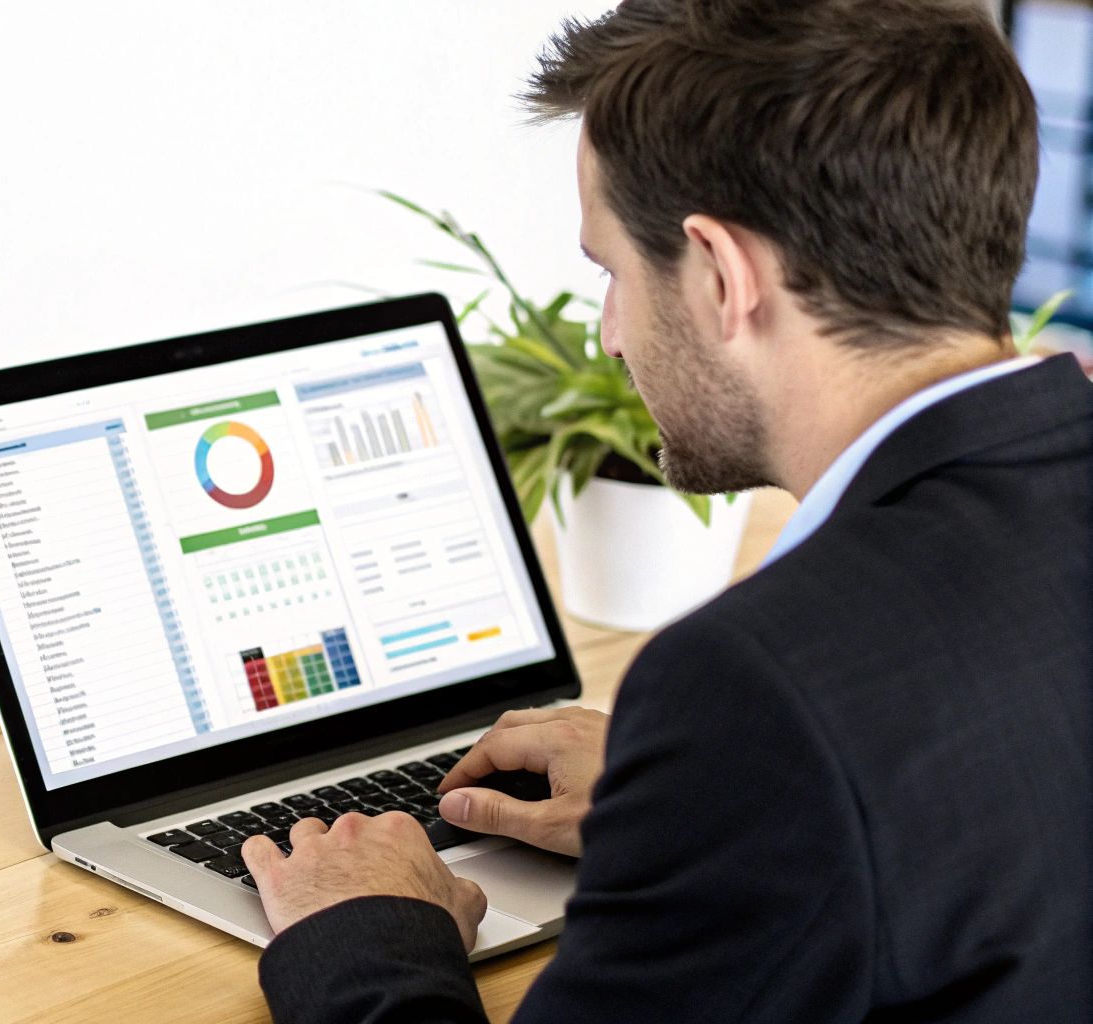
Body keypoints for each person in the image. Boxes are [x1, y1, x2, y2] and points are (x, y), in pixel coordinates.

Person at [242, 1, 1093, 1021]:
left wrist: (364, 927)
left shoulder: (759, 690)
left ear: (721, 275)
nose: (607, 334)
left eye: (609, 271)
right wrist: (704, 811)